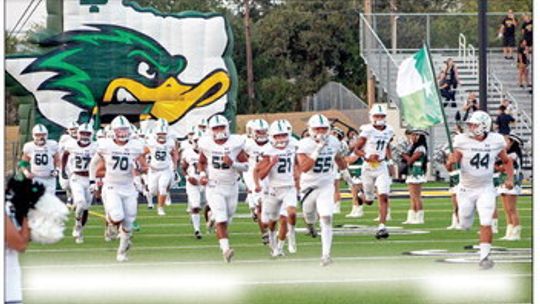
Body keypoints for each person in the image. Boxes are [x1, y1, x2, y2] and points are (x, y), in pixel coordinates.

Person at [446, 111, 514, 269]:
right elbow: (453, 162)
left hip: (486, 187)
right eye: (470, 124)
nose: (470, 127)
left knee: (486, 221)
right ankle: (465, 223)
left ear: (484, 125)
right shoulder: (461, 140)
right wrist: (450, 162)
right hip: (466, 189)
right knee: (464, 222)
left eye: (474, 124)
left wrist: (510, 178)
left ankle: (484, 257)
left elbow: (507, 160)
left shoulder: (496, 140)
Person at [89, 115, 149, 262]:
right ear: (113, 131)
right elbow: (93, 164)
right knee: (117, 216)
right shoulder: (105, 145)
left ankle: (121, 252)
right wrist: (92, 181)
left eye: (124, 130)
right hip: (111, 186)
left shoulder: (136, 145)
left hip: (129, 187)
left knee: (129, 223)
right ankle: (110, 223)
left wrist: (139, 169)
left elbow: (145, 167)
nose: (122, 133)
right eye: (119, 130)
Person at [296, 113, 349, 266]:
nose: (321, 132)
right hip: (309, 187)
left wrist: (348, 177)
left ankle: (326, 255)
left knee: (326, 217)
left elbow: (339, 158)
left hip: (326, 184)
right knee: (309, 215)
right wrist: (318, 148)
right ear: (310, 130)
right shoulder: (304, 144)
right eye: (317, 129)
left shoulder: (333, 141)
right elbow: (305, 168)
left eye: (324, 129)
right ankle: (310, 225)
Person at [198, 114, 248, 263]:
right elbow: (201, 162)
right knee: (222, 218)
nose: (219, 130)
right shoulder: (206, 144)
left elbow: (246, 166)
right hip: (214, 186)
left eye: (221, 127)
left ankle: (212, 216)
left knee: (228, 217)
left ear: (227, 127)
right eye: (216, 128)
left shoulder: (236, 143)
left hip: (232, 186)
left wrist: (233, 163)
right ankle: (225, 249)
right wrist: (201, 174)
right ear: (210, 130)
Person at [254, 120, 298, 257]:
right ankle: (274, 246)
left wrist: (299, 177)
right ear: (272, 137)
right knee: (271, 223)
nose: (281, 139)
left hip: (289, 187)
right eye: (277, 136)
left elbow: (299, 163)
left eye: (283, 135)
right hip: (273, 189)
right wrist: (271, 164)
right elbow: (260, 174)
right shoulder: (268, 151)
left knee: (290, 214)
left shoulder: (294, 145)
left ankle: (289, 239)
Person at [354, 104, 394, 239]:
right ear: (372, 117)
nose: (380, 118)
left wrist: (390, 160)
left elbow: (387, 144)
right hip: (368, 167)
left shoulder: (389, 130)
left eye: (382, 116)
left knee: (383, 195)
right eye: (377, 116)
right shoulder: (367, 130)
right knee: (369, 200)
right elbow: (356, 149)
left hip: (381, 166)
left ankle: (382, 226)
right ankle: (361, 195)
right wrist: (366, 156)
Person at [62, 123, 97, 244]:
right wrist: (63, 170)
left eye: (87, 133)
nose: (85, 136)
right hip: (76, 177)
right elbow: (65, 155)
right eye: (83, 133)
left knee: (86, 207)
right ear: (78, 133)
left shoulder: (96, 146)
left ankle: (80, 229)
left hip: (90, 178)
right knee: (80, 203)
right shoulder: (71, 144)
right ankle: (77, 224)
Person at [243, 119, 271, 245]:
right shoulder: (246, 143)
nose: (262, 134)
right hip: (252, 175)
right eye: (259, 132)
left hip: (269, 175)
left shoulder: (273, 142)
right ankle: (264, 233)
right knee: (261, 205)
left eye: (264, 131)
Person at [144, 125, 179, 216]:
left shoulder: (170, 142)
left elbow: (174, 154)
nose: (162, 136)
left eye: (163, 134)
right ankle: (161, 198)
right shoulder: (151, 143)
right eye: (160, 134)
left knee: (163, 188)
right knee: (152, 191)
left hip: (165, 169)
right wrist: (145, 164)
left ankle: (160, 208)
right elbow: (142, 153)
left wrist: (175, 164)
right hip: (153, 170)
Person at [19, 124, 61, 194]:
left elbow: (58, 160)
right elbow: (23, 162)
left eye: (43, 135)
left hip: (49, 178)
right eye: (38, 135)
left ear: (47, 135)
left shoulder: (52, 145)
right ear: (33, 135)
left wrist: (57, 170)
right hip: (36, 178)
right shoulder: (29, 146)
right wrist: (26, 173)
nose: (41, 137)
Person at [497, 134, 524, 241]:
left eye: (506, 141)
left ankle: (516, 233)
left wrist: (499, 167)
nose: (503, 143)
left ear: (512, 142)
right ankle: (509, 232)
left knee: (511, 209)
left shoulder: (513, 154)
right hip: (504, 179)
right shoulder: (507, 153)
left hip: (512, 179)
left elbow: (504, 167)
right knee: (506, 209)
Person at [181, 130, 205, 239]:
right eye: (196, 140)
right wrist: (187, 177)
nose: (198, 143)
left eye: (201, 140)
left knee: (208, 206)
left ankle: (211, 222)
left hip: (206, 183)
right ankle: (197, 230)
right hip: (193, 183)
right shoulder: (187, 152)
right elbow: (183, 167)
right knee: (196, 206)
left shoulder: (209, 151)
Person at [401, 130, 428, 225]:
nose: (412, 137)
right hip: (412, 172)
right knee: (412, 197)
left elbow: (410, 160)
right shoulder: (414, 147)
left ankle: (419, 217)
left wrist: (403, 154)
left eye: (414, 136)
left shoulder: (421, 148)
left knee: (416, 196)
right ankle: (411, 217)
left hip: (417, 173)